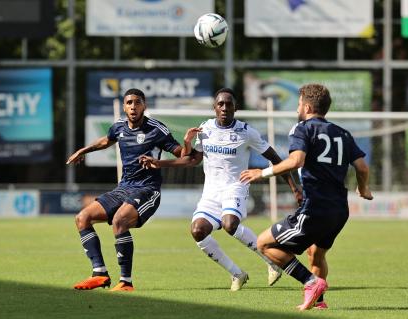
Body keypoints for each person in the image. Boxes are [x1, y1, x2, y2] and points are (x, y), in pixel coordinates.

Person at [139, 88, 302, 291]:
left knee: (229, 224)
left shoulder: (246, 131)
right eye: (221, 104)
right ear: (214, 108)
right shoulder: (206, 128)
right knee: (198, 231)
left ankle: (271, 260)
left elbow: (276, 159)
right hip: (211, 192)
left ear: (236, 107)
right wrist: (162, 161)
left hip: (236, 187)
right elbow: (192, 160)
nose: (225, 107)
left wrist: (295, 187)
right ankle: (237, 273)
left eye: (229, 104)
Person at [240, 83, 373, 310]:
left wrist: (261, 173)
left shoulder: (302, 129)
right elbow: (362, 167)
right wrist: (363, 189)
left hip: (315, 209)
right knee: (316, 253)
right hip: (339, 211)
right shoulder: (342, 133)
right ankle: (319, 303)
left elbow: (296, 161)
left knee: (264, 244)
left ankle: (310, 282)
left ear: (308, 107)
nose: (298, 108)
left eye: (299, 103)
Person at [66, 88, 182, 292]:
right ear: (124, 106)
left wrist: (185, 149)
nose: (133, 106)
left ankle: (126, 282)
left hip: (148, 190)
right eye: (129, 103)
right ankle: (99, 273)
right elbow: (105, 141)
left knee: (120, 221)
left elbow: (182, 153)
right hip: (124, 188)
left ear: (144, 105)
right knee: (82, 218)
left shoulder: (156, 129)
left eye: (137, 102)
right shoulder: (119, 127)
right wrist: (83, 150)